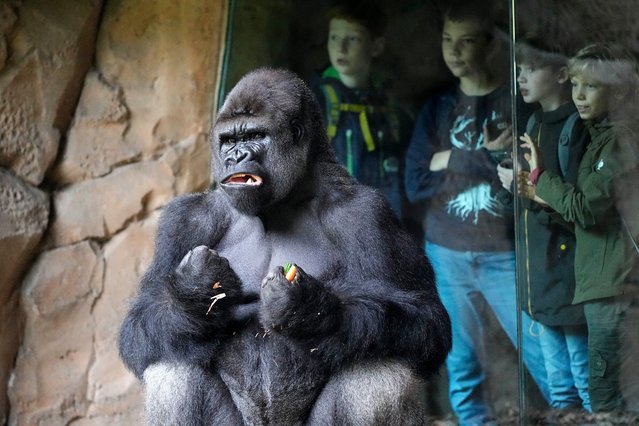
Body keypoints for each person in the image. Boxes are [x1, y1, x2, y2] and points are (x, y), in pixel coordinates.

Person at [404, 2, 550, 424]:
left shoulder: (518, 101)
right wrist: (483, 157)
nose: (453, 51)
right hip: (447, 255)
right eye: (448, 40)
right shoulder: (436, 108)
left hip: (505, 255)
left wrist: (449, 159)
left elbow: (526, 177)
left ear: (490, 46)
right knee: (463, 367)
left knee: (545, 356)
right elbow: (415, 182)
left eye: (466, 41)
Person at [520, 42, 639, 413]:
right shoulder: (601, 136)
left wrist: (541, 177)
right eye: (575, 85)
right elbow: (585, 214)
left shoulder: (619, 140)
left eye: (592, 86)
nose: (580, 95)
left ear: (617, 90)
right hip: (603, 283)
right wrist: (539, 193)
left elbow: (586, 209)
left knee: (604, 399)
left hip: (613, 285)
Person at [498, 38, 591, 412]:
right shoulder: (532, 123)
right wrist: (508, 179)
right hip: (541, 280)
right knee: (560, 389)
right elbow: (517, 201)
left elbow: (579, 210)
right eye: (519, 69)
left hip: (571, 279)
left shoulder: (578, 129)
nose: (521, 77)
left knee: (585, 384)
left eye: (531, 69)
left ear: (562, 74)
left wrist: (532, 190)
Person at [313, 0, 411, 220]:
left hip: (381, 220)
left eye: (353, 39)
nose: (341, 47)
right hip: (331, 221)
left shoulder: (392, 104)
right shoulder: (314, 101)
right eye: (334, 37)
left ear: (376, 47)